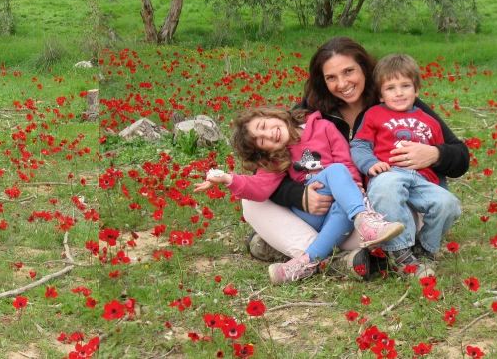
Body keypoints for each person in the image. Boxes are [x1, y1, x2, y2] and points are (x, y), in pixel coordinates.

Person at [242, 37, 469, 280]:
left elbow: (460, 157)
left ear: (365, 68)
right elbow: (267, 173)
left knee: (401, 214)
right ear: (322, 81)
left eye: (349, 71)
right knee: (251, 203)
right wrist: (298, 195)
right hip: (329, 211)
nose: (342, 83)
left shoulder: (396, 99)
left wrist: (435, 154)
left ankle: (305, 255)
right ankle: (337, 261)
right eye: (331, 78)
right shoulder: (308, 114)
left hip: (379, 214)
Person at [196, 107, 404, 285]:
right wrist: (227, 178)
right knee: (337, 171)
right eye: (261, 141)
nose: (269, 135)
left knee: (341, 174)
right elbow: (259, 188)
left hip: (339, 210)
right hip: (311, 211)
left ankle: (306, 262)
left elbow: (347, 161)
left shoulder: (323, 128)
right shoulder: (277, 158)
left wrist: (354, 186)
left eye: (264, 126)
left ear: (272, 114)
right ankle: (364, 220)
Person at [350, 54, 462, 278]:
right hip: (389, 173)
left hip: (423, 179)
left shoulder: (430, 121)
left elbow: (439, 159)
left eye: (405, 86)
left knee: (449, 204)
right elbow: (359, 145)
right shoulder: (374, 114)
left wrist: (440, 188)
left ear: (417, 90)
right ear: (380, 94)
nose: (399, 93)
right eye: (390, 88)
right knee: (386, 190)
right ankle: (401, 252)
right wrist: (370, 164)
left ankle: (424, 249)